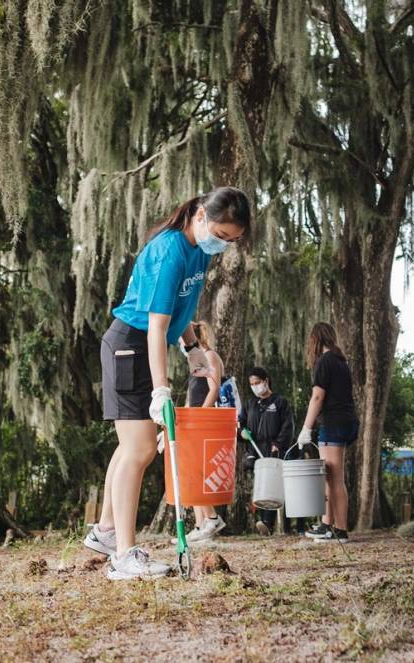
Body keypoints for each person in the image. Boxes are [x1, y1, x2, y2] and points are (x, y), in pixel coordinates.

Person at [83, 187, 251, 580]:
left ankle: (107, 532)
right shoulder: (169, 250)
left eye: (231, 241)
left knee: (130, 449)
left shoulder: (196, 251)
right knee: (139, 450)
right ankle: (123, 556)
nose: (222, 245)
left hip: (142, 347)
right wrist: (161, 390)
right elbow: (155, 327)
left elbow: (180, 310)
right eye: (221, 236)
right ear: (200, 216)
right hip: (131, 346)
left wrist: (192, 345)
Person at [298, 323, 359, 543]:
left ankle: (340, 530)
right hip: (345, 421)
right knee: (330, 476)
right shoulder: (340, 361)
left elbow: (317, 397)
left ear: (315, 339)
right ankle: (327, 525)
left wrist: (307, 427)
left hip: (334, 422)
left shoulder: (325, 361)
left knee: (334, 478)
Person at [181, 320, 229, 542]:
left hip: (204, 420)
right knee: (191, 470)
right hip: (192, 420)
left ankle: (211, 519)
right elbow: (192, 394)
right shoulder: (196, 360)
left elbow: (214, 389)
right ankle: (200, 526)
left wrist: (201, 415)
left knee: (196, 471)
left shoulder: (209, 356)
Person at [239, 366, 296, 535]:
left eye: (257, 382)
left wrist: (278, 444)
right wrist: (242, 432)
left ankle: (272, 524)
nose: (255, 386)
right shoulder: (250, 404)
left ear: (266, 381)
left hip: (274, 451)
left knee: (274, 486)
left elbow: (288, 426)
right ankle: (263, 522)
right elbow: (241, 424)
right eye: (252, 384)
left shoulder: (280, 402)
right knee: (261, 486)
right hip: (256, 451)